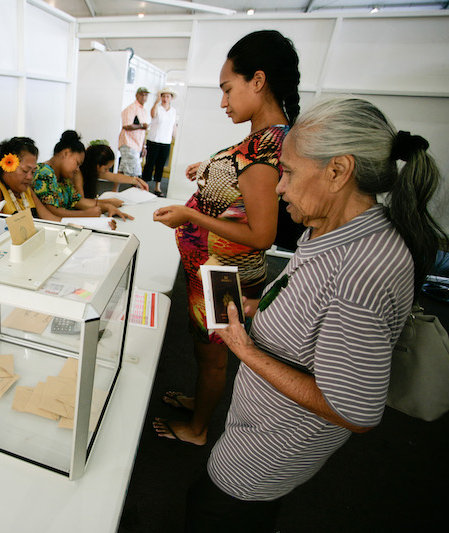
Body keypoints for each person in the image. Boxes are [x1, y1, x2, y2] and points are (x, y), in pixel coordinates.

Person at [185, 96, 447, 532]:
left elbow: (356, 411)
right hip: (258, 431)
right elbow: (312, 305)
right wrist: (259, 306)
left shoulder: (365, 268)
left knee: (213, 513)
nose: (278, 186)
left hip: (265, 455)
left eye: (287, 171)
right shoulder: (332, 228)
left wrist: (246, 352)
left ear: (338, 171)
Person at [152, 30, 300, 445]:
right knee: (205, 350)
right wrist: (212, 168)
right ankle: (199, 403)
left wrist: (189, 214)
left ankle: (198, 430)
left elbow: (261, 234)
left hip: (224, 279)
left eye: (227, 89)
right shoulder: (264, 140)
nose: (223, 101)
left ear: (258, 80)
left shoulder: (266, 147)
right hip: (216, 275)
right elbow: (242, 186)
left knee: (214, 356)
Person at [33, 130, 132, 222]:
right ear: (66, 153)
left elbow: (76, 201)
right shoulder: (44, 172)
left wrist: (106, 206)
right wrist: (84, 214)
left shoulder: (64, 177)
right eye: (77, 163)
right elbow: (53, 211)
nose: (77, 169)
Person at [0, 136, 60, 221]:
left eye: (33, 172)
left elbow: (48, 217)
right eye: (25, 171)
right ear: (7, 166)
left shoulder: (26, 190)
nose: (29, 177)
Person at [75, 141, 149, 200]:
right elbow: (82, 203)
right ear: (97, 166)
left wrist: (137, 180)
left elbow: (114, 177)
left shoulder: (91, 169)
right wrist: (108, 203)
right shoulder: (78, 175)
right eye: (106, 169)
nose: (107, 172)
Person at [142, 87, 178, 196]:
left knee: (160, 165)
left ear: (171, 98)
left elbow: (173, 126)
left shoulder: (173, 111)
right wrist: (155, 103)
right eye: (163, 96)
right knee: (149, 164)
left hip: (166, 142)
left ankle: (157, 187)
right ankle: (144, 185)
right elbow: (152, 115)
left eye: (167, 96)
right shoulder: (157, 108)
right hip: (154, 140)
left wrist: (177, 140)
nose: (165, 98)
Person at [117, 87, 151, 183]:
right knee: (135, 171)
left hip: (136, 145)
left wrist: (144, 146)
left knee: (123, 169)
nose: (144, 97)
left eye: (146, 95)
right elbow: (126, 125)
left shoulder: (143, 110)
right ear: (136, 95)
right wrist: (141, 125)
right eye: (142, 94)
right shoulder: (131, 108)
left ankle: (115, 190)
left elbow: (143, 131)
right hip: (128, 143)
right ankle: (133, 192)